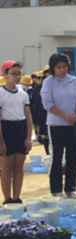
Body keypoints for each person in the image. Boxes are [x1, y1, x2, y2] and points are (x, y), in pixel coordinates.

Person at [40, 52, 76, 198]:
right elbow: (47, 104)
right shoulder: (48, 82)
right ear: (53, 68)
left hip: (73, 124)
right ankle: (56, 189)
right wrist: (65, 116)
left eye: (64, 66)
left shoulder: (75, 81)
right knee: (57, 156)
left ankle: (70, 188)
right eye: (58, 67)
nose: (62, 70)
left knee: (72, 156)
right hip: (56, 124)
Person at [0, 60, 33, 204]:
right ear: (5, 74)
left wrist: (28, 137)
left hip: (20, 129)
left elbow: (28, 116)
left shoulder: (23, 94)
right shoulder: (1, 93)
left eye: (19, 74)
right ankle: (7, 198)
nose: (17, 77)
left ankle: (16, 197)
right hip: (6, 129)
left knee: (19, 166)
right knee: (7, 167)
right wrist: (1, 141)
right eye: (13, 73)